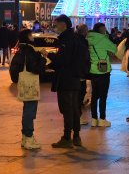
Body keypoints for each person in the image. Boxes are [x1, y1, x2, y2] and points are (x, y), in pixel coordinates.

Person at [50, 14, 88, 149]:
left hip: (66, 78)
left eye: (57, 24)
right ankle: (76, 136)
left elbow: (63, 60)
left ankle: (67, 138)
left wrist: (49, 56)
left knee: (67, 109)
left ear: (63, 25)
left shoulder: (66, 40)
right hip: (76, 78)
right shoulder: (77, 38)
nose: (55, 27)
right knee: (74, 108)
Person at [10, 29, 47, 149]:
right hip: (30, 83)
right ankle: (29, 137)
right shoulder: (30, 50)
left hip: (23, 82)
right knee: (30, 111)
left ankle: (25, 138)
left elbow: (14, 69)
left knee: (27, 109)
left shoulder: (20, 50)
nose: (32, 37)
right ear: (27, 37)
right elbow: (35, 68)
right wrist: (43, 58)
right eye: (30, 35)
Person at [85, 23, 118, 127]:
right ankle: (102, 119)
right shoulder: (103, 39)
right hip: (103, 71)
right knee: (103, 96)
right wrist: (107, 36)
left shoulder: (88, 39)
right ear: (102, 29)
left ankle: (94, 119)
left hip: (93, 70)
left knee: (94, 96)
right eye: (104, 28)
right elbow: (114, 49)